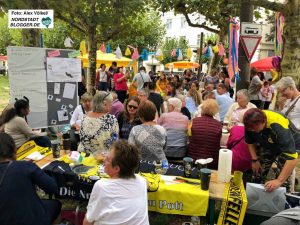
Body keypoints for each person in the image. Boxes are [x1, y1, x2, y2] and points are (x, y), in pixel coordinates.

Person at [83, 140, 149, 225]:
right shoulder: (142, 181)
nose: (104, 160)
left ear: (117, 169)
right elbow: (145, 183)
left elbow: (88, 221)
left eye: (107, 159)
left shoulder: (102, 186)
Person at [0, 133, 61, 225]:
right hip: (33, 219)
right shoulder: (25, 166)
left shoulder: (24, 167)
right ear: (14, 149)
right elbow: (52, 187)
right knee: (56, 204)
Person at [243, 108, 300, 192]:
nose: (253, 131)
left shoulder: (278, 126)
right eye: (251, 130)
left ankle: (284, 196)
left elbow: (292, 159)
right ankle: (256, 193)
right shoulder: (250, 123)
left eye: (255, 129)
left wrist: (279, 181)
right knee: (258, 171)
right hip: (269, 142)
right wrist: (254, 160)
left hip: (289, 145)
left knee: (282, 180)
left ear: (264, 121)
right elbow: (250, 142)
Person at [78, 91, 119, 156]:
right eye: (110, 104)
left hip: (83, 156)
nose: (111, 106)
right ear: (105, 104)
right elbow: (114, 142)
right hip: (101, 158)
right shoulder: (111, 119)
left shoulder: (85, 116)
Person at [188, 99, 222, 169]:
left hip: (194, 158)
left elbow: (189, 137)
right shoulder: (218, 125)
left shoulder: (194, 121)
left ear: (202, 108)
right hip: (211, 161)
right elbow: (218, 141)